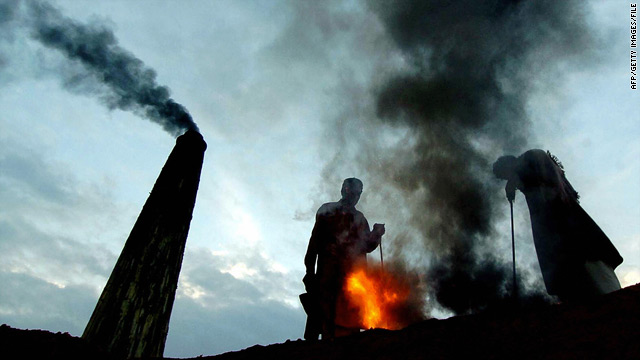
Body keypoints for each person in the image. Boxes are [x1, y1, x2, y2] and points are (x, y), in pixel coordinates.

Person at [493, 149, 623, 303]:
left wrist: (515, 178)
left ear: (509, 165)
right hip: (557, 237)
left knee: (596, 279)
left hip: (572, 231)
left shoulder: (533, 156)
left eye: (505, 175)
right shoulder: (527, 180)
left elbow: (545, 181)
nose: (507, 179)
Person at [302, 178, 385, 340]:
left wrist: (376, 233)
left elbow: (367, 246)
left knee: (349, 318)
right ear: (344, 190)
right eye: (352, 191)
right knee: (326, 313)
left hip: (352, 276)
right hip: (328, 272)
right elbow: (315, 242)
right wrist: (309, 270)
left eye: (358, 193)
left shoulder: (360, 218)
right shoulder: (327, 210)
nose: (355, 195)